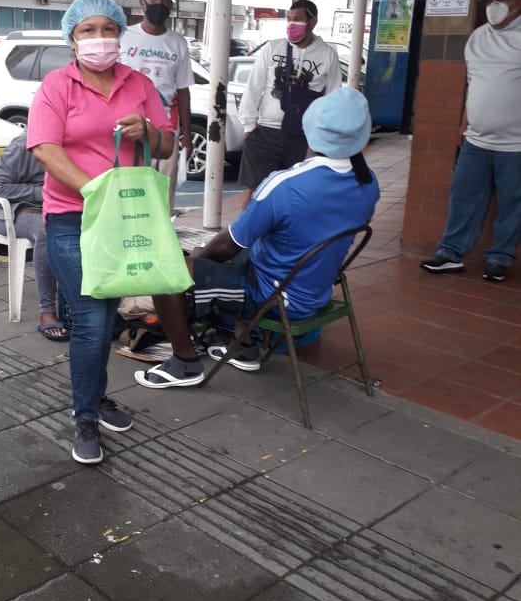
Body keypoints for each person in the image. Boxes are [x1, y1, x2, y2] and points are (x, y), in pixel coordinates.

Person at [133, 87, 380, 389]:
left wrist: (196, 259)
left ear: (311, 130)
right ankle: (244, 346)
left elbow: (228, 245)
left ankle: (184, 363)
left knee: (167, 270)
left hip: (275, 297)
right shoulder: (368, 183)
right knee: (248, 251)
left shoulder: (286, 185)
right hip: (317, 290)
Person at [27, 0, 173, 464]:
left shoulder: (138, 83)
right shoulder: (57, 86)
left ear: (120, 35)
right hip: (72, 216)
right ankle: (85, 416)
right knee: (91, 317)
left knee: (108, 315)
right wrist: (94, 190)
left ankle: (95, 395)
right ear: (72, 39)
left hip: (125, 217)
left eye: (108, 29)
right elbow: (44, 147)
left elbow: (167, 145)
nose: (99, 38)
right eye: (88, 30)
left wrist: (148, 131)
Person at [420, 0, 521, 283]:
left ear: (518, 3)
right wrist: (464, 125)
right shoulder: (477, 37)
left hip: (516, 146)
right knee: (463, 198)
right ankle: (451, 253)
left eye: (501, 0)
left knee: (513, 204)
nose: (493, 6)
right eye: (490, 0)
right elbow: (472, 84)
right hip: (475, 141)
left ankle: (499, 258)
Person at [237, 0, 342, 208]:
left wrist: (322, 139)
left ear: (312, 22)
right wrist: (249, 127)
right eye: (289, 19)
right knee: (256, 194)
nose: (292, 24)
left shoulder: (327, 55)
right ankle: (245, 229)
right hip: (265, 133)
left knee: (292, 197)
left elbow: (333, 99)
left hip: (301, 137)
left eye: (298, 19)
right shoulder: (273, 47)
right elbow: (253, 86)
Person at [119, 0, 193, 211]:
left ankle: (161, 230)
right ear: (143, 2)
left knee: (161, 193)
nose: (160, 4)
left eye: (166, 0)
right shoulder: (124, 37)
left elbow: (183, 90)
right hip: (128, 123)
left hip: (166, 128)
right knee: (129, 189)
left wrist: (187, 134)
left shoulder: (178, 43)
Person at [0, 132, 68, 340]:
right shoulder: (24, 144)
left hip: (57, 206)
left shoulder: (75, 140)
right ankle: (47, 310)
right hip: (14, 211)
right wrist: (43, 192)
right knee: (47, 230)